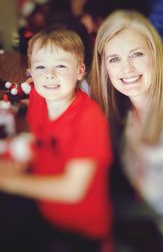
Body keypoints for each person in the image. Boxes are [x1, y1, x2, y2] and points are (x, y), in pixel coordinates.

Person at [90, 9, 163, 252]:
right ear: (105, 67)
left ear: (155, 55)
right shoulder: (128, 116)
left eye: (136, 54)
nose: (126, 69)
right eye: (114, 59)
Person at [0, 26, 113, 252]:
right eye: (40, 66)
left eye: (61, 65)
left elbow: (73, 189)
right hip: (44, 211)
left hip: (80, 231)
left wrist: (7, 181)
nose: (49, 74)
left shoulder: (89, 119)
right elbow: (41, 139)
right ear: (31, 71)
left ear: (80, 71)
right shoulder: (39, 97)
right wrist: (23, 160)